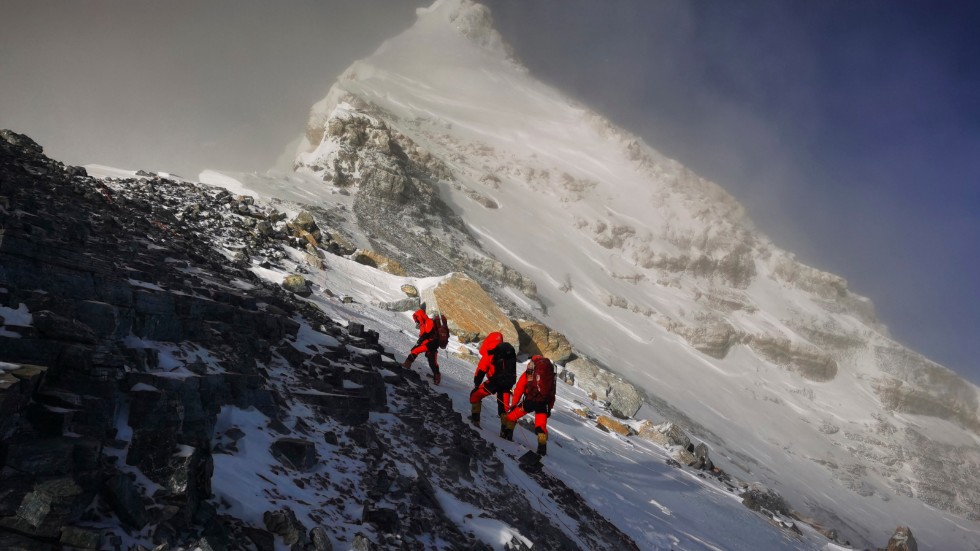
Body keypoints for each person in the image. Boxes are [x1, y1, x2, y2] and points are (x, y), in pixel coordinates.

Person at [503, 355, 557, 455]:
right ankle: (542, 448)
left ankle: (507, 435)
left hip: (530, 401)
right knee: (541, 426)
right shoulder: (550, 376)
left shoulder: (530, 372)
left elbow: (519, 389)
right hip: (543, 403)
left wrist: (514, 404)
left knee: (512, 416)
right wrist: (549, 408)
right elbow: (552, 394)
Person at [468, 332, 517, 437]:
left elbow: (480, 371)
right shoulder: (508, 353)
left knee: (475, 395)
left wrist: (477, 384)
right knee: (504, 409)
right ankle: (505, 433)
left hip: (493, 383)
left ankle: (475, 419)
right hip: (507, 385)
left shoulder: (490, 352)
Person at [402, 309, 441, 385]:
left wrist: (420, 341)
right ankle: (437, 377)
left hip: (431, 343)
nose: (417, 322)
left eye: (417, 319)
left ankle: (407, 364)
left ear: (420, 317)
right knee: (432, 362)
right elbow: (424, 336)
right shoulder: (423, 324)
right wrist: (420, 341)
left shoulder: (429, 322)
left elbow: (427, 334)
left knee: (415, 351)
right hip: (431, 344)